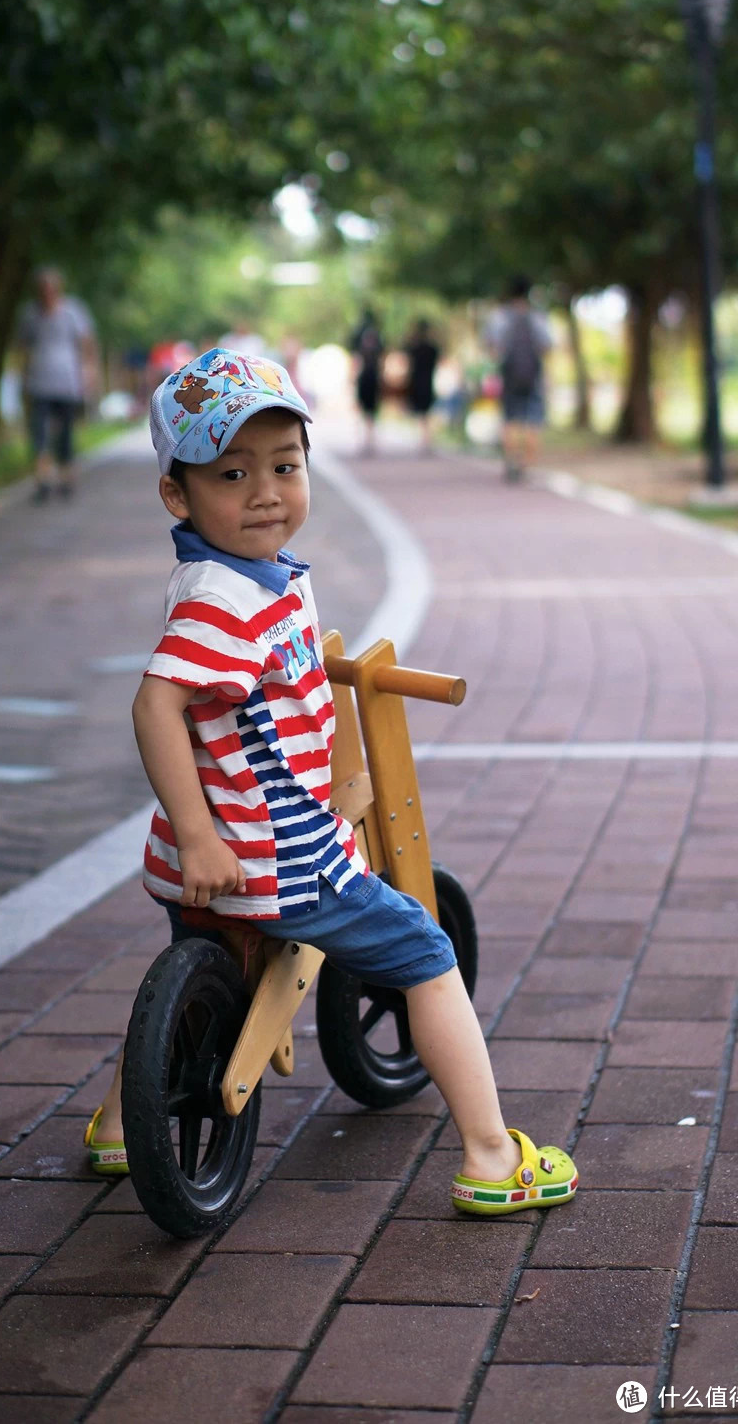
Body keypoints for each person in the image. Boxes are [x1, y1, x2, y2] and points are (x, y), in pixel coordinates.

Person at [84, 347, 579, 1216]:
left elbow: (253, 686)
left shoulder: (250, 575)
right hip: (278, 856)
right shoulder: (219, 600)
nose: (267, 491)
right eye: (233, 473)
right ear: (179, 494)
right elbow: (156, 706)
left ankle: (121, 1125)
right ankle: (495, 1155)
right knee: (427, 952)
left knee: (198, 974)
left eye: (285, 466)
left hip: (212, 854)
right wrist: (204, 831)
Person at [15, 267, 100, 502]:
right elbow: (22, 349)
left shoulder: (73, 311)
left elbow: (87, 344)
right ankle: (42, 480)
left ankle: (66, 477)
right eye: (43, 289)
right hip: (39, 382)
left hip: (67, 382)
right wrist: (21, 377)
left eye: (51, 288)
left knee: (65, 434)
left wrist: (89, 374)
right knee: (39, 433)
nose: (47, 293)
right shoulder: (30, 315)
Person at [483, 275, 552, 482]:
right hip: (533, 376)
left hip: (509, 376)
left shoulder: (500, 317)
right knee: (533, 421)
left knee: (509, 419)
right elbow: (547, 346)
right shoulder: (538, 317)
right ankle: (526, 465)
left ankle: (511, 462)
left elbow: (491, 347)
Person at [349, 308, 384, 454]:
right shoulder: (378, 336)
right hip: (374, 376)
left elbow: (355, 357)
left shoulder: (358, 335)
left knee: (362, 408)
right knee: (372, 410)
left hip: (364, 376)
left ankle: (363, 439)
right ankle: (369, 438)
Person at [405, 318, 442, 454]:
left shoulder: (416, 348)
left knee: (422, 413)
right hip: (427, 383)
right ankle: (427, 439)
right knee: (426, 412)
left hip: (418, 383)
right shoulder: (431, 348)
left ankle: (425, 439)